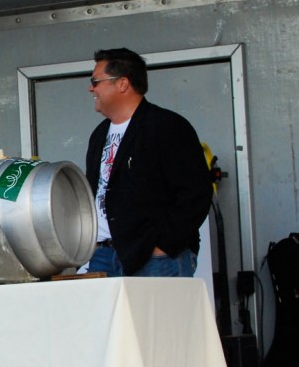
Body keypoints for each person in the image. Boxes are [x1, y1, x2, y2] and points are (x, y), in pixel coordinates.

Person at [85, 47, 212, 277]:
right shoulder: (98, 134)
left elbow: (196, 193)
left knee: (159, 315)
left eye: (96, 81)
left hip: (152, 257)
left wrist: (163, 246)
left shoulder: (166, 126)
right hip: (103, 256)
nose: (91, 88)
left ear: (122, 83)